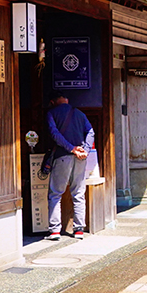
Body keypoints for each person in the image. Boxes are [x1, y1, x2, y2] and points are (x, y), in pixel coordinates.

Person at [45, 90, 95, 240]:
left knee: (55, 193)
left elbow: (55, 134)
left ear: (53, 101)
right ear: (66, 100)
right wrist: (84, 150)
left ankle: (54, 231)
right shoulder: (79, 113)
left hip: (62, 157)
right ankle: (79, 230)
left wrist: (71, 148)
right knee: (79, 193)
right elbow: (91, 131)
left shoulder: (51, 113)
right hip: (80, 158)